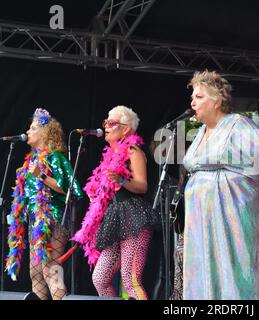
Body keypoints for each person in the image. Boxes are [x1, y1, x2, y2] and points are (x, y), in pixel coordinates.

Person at [182, 70, 259, 300]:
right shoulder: (199, 133)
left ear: (217, 100)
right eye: (193, 97)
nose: (193, 102)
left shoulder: (238, 125)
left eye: (199, 97)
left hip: (232, 220)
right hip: (202, 222)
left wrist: (249, 193)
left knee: (236, 276)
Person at [72, 105, 159, 300]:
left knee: (130, 279)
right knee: (100, 278)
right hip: (114, 219)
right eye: (106, 123)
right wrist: (95, 196)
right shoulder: (109, 157)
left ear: (126, 129)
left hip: (134, 219)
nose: (106, 126)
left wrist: (121, 181)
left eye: (112, 123)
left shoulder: (132, 150)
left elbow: (142, 185)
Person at [5, 108, 83, 300]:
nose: (28, 132)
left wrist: (42, 175)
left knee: (50, 270)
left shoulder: (56, 158)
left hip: (55, 221)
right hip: (36, 223)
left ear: (44, 133)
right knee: (36, 274)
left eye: (32, 128)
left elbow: (71, 190)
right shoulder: (29, 162)